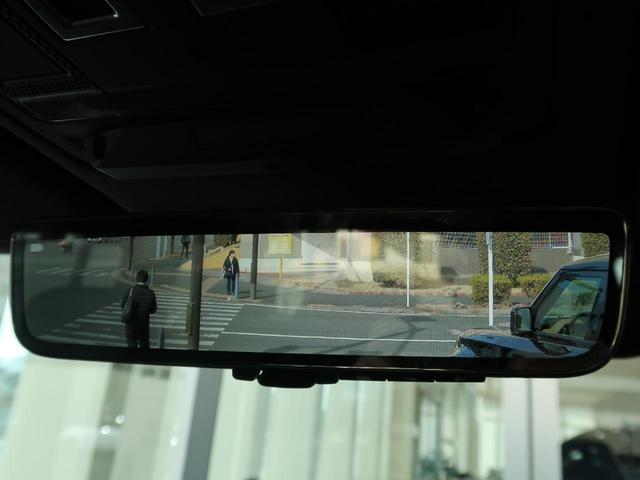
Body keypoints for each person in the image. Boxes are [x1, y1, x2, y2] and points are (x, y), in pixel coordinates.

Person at [121, 269, 157, 349]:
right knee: (144, 344)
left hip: (131, 324)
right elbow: (153, 310)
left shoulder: (131, 291)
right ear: (146, 279)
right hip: (143, 324)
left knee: (131, 344)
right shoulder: (150, 293)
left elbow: (123, 305)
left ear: (137, 278)